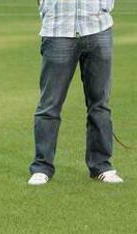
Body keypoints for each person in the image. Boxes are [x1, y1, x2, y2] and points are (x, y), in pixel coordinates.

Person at [28, 0, 123, 185]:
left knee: (100, 104)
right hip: (58, 29)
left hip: (98, 26)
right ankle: (42, 167)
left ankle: (101, 166)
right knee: (49, 106)